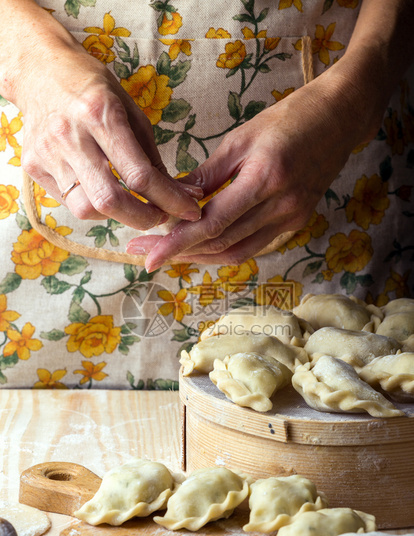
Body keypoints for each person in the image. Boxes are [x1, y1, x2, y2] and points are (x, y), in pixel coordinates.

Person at [0, 0, 412, 389]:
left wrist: (349, 102)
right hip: (50, 157)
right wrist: (31, 63)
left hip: (332, 156)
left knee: (350, 397)